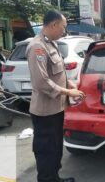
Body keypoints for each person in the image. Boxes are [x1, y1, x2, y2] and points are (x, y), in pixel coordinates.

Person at [26, 10, 85, 182]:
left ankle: (55, 178)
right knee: (46, 150)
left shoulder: (52, 44)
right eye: (63, 27)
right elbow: (41, 82)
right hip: (45, 112)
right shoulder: (38, 47)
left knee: (56, 148)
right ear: (53, 25)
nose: (64, 31)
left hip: (56, 108)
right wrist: (69, 92)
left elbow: (57, 74)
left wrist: (70, 84)